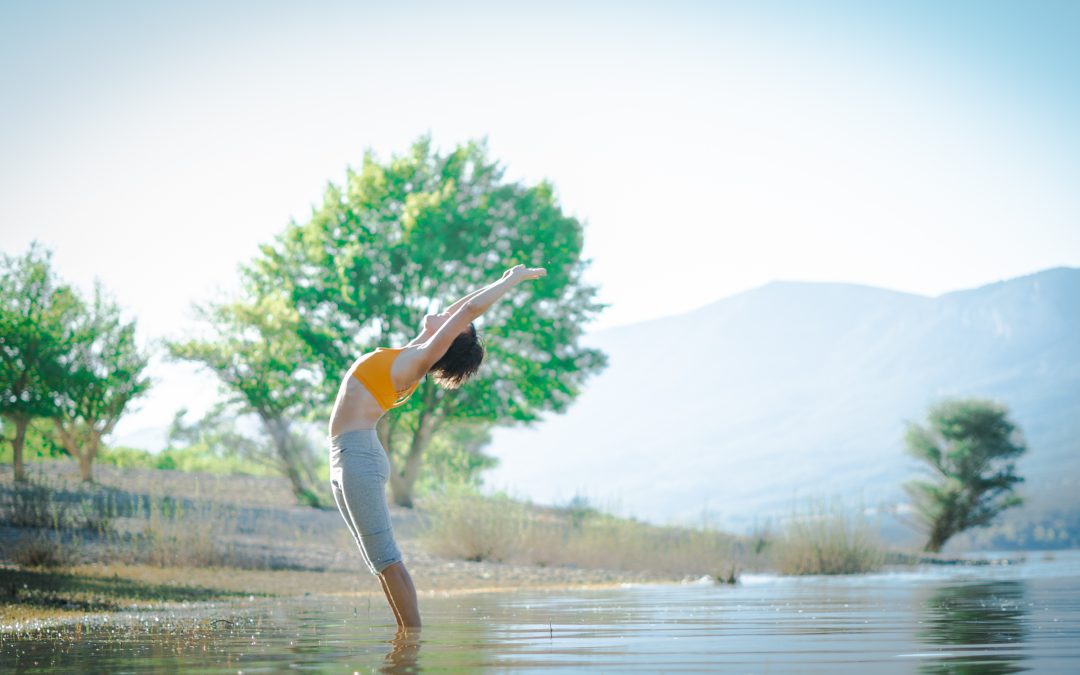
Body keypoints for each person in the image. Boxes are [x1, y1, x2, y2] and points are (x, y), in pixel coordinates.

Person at [327, 264, 547, 629]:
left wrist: (508, 283)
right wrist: (487, 288)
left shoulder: (417, 360)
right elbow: (461, 310)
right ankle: (406, 648)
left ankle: (412, 647)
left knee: (386, 559)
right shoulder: (410, 353)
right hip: (343, 457)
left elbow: (468, 311)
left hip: (358, 456)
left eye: (453, 323)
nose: (448, 313)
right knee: (378, 563)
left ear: (449, 341)